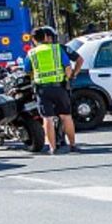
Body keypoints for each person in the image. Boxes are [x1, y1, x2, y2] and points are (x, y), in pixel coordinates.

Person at [23, 26, 83, 154]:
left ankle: (52, 148)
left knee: (47, 118)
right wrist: (70, 76)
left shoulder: (32, 53)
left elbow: (27, 70)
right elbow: (67, 67)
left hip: (42, 90)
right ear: (45, 37)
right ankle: (72, 145)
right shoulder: (57, 49)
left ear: (33, 40)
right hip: (59, 87)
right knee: (66, 117)